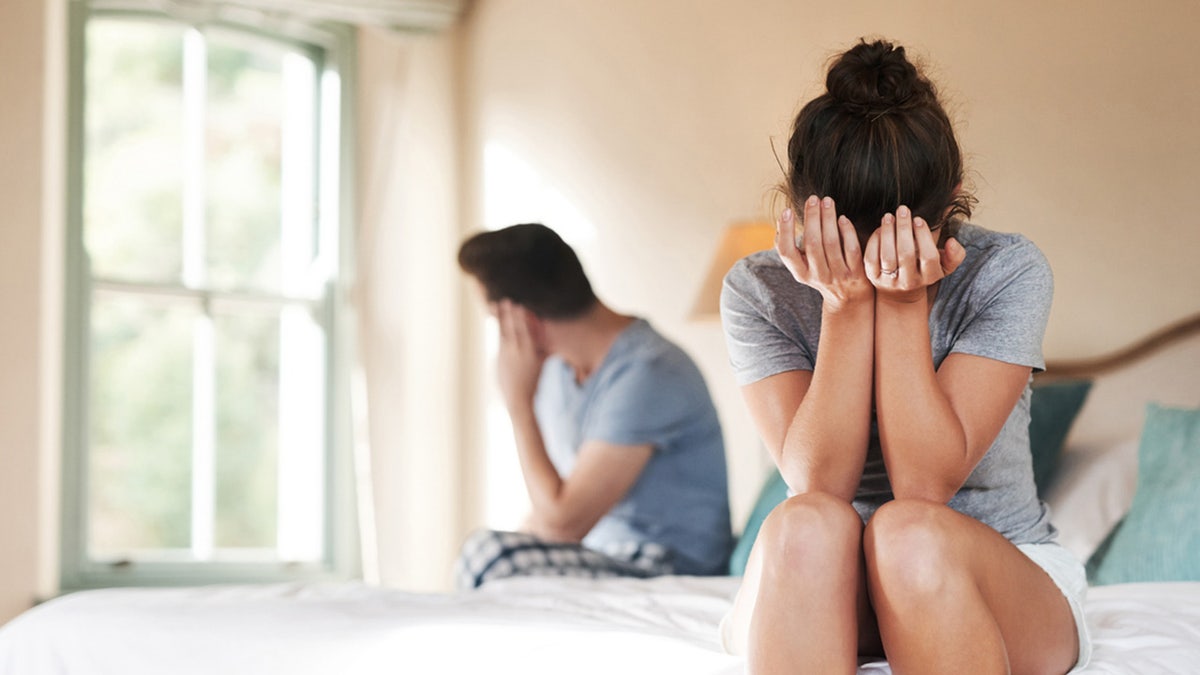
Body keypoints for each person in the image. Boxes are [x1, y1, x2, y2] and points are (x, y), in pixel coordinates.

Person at [718, 40, 1089, 673]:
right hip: (820, 579)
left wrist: (901, 306)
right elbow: (818, 485)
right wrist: (844, 307)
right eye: (848, 246)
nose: (868, 265)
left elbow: (923, 488)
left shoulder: (1006, 272)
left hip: (989, 574)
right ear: (798, 212)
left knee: (906, 532)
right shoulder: (759, 289)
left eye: (894, 244)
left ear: (953, 203)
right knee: (802, 524)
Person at [454, 223, 733, 589]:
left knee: (487, 555)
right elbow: (551, 517)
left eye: (496, 319)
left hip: (666, 564)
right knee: (497, 553)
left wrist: (517, 404)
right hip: (603, 554)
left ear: (522, 318)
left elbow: (562, 524)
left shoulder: (649, 372)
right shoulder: (555, 370)